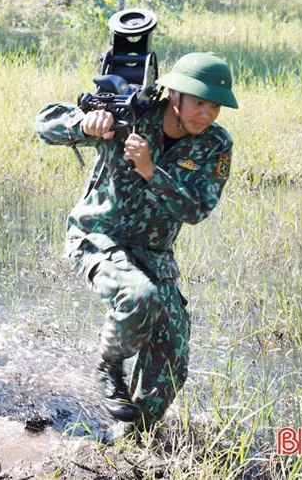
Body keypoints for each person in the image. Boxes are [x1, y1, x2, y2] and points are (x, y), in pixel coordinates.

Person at [35, 52, 238, 435]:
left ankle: (132, 437)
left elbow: (196, 209)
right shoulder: (132, 114)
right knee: (138, 296)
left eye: (215, 107)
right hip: (98, 236)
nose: (206, 114)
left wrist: (150, 171)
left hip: (154, 255)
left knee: (172, 355)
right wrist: (86, 125)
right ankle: (108, 366)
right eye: (199, 103)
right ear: (174, 95)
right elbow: (45, 125)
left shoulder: (215, 144)